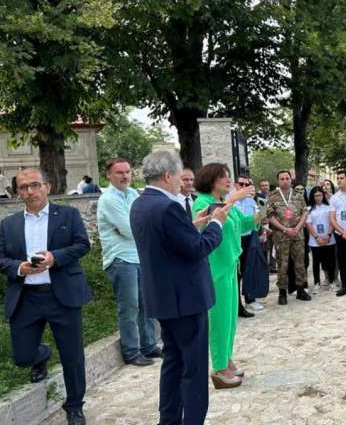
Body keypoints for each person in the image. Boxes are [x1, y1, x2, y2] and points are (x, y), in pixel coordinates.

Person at [130, 151, 228, 424]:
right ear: (167, 175)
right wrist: (216, 223)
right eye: (179, 176)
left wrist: (193, 224)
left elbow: (168, 240)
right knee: (194, 370)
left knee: (172, 363)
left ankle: (169, 419)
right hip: (186, 299)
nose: (182, 182)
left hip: (163, 298)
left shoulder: (140, 204)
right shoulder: (168, 207)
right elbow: (197, 249)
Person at [0, 168, 91, 425]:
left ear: (47, 187)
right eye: (24, 187)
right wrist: (19, 268)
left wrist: (55, 257)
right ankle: (41, 355)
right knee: (22, 357)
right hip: (26, 297)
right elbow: (1, 258)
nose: (30, 191)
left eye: (35, 185)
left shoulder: (68, 215)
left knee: (72, 356)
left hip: (63, 296)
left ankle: (74, 407)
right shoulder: (8, 224)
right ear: (17, 192)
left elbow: (82, 245)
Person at [192, 163, 260, 389]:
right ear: (210, 179)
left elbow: (243, 222)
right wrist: (233, 198)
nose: (228, 180)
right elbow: (214, 218)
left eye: (229, 176)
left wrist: (262, 213)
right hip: (215, 268)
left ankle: (226, 358)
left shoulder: (226, 201)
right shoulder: (202, 202)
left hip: (230, 264)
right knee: (219, 319)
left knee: (230, 318)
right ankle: (219, 367)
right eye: (223, 176)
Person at [97, 158, 159, 367]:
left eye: (127, 172)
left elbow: (146, 221)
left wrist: (139, 227)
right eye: (119, 172)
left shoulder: (133, 194)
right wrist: (138, 227)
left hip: (140, 256)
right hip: (121, 259)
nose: (125, 176)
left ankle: (149, 345)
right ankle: (131, 351)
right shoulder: (108, 199)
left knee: (146, 303)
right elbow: (129, 229)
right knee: (130, 306)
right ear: (108, 175)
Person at [267, 170, 311, 305]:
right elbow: (270, 216)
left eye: (287, 178)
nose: (285, 181)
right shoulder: (272, 196)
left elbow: (305, 213)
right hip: (281, 235)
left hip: (298, 234)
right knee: (282, 264)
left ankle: (300, 289)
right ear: (278, 181)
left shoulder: (298, 195)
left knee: (300, 263)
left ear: (291, 180)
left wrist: (297, 228)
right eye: (282, 179)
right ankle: (282, 292)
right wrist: (285, 229)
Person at [232, 175, 258, 318]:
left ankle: (248, 299)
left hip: (248, 238)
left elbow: (254, 220)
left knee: (247, 270)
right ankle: (237, 305)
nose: (243, 187)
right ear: (235, 184)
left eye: (246, 185)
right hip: (234, 239)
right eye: (241, 184)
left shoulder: (251, 201)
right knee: (236, 273)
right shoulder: (229, 200)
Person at [306, 186, 337, 290]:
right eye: (315, 196)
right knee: (316, 262)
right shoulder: (309, 209)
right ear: (312, 197)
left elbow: (332, 222)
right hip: (315, 240)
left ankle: (331, 281)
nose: (318, 197)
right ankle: (316, 283)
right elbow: (309, 224)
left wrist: (328, 235)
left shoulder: (329, 207)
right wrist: (316, 237)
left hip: (328, 238)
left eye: (320, 195)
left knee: (330, 261)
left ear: (323, 195)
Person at [256, 179, 277, 274]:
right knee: (264, 246)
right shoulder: (257, 198)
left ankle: (273, 266)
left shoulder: (272, 197)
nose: (265, 187)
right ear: (260, 187)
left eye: (266, 185)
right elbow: (261, 214)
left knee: (273, 246)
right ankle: (264, 267)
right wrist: (265, 224)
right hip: (262, 226)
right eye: (263, 185)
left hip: (273, 225)